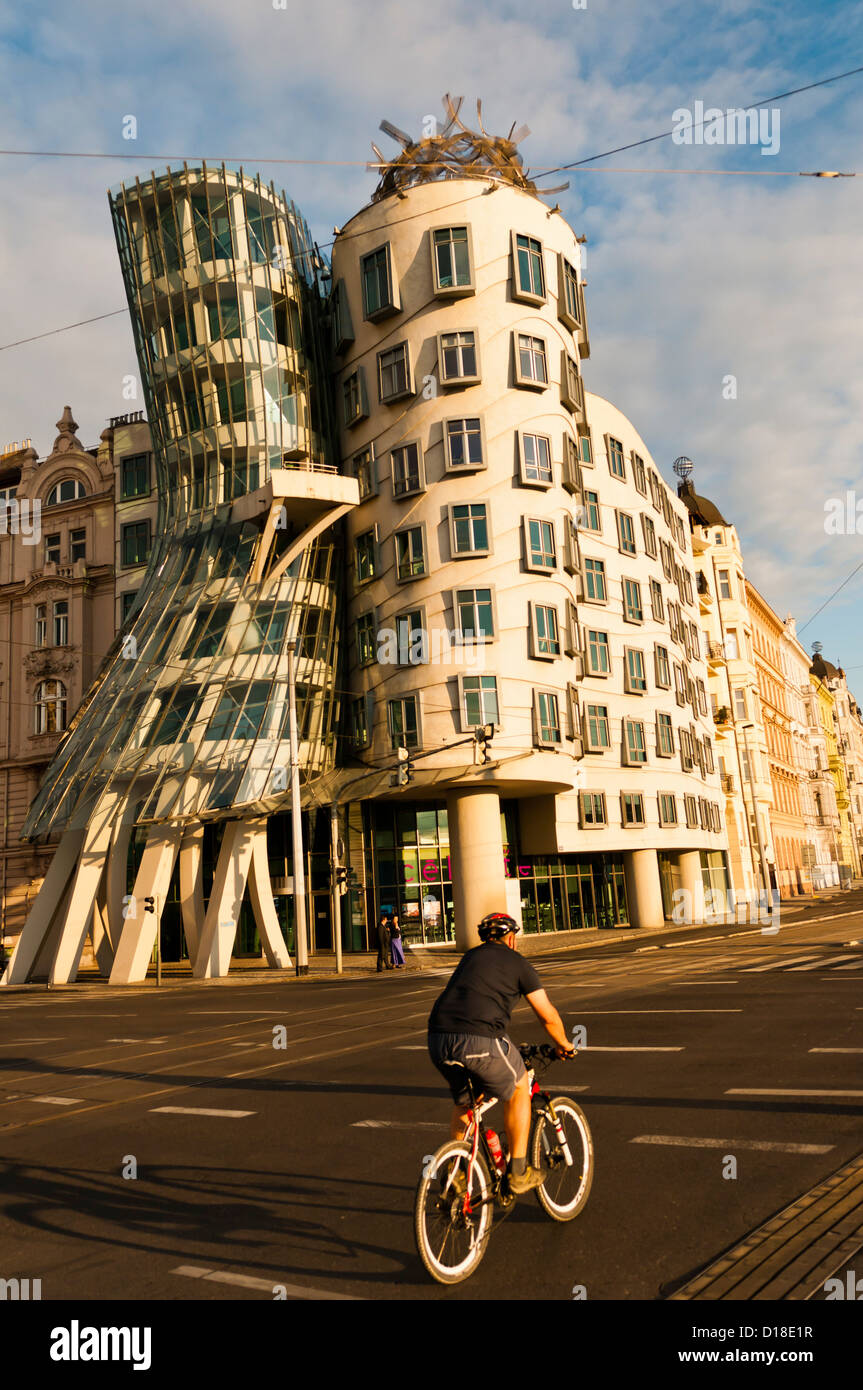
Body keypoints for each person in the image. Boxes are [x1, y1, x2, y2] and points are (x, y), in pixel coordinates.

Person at [427, 911, 574, 1195]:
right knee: (519, 1086)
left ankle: (455, 1172)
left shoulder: (469, 958)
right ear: (511, 938)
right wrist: (564, 1044)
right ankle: (518, 1171)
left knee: (467, 1104)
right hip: (479, 1041)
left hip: (437, 1039)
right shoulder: (518, 963)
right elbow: (548, 1016)